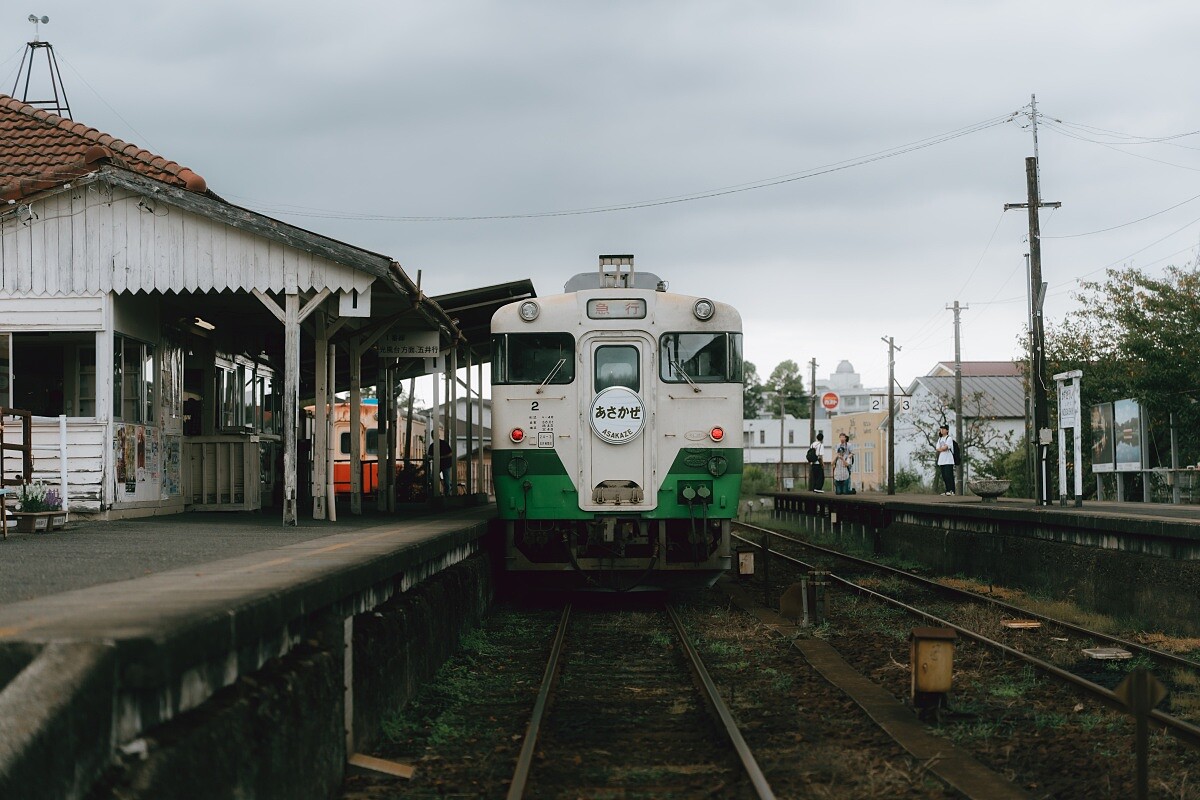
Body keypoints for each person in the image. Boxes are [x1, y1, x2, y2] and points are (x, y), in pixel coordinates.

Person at [935, 424, 956, 496]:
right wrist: (942, 448)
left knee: (948, 475)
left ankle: (952, 490)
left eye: (943, 429)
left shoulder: (949, 438)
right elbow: (937, 448)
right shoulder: (940, 439)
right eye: (941, 429)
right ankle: (947, 490)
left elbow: (946, 447)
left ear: (947, 430)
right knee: (944, 476)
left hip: (948, 460)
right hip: (942, 460)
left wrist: (942, 448)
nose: (942, 430)